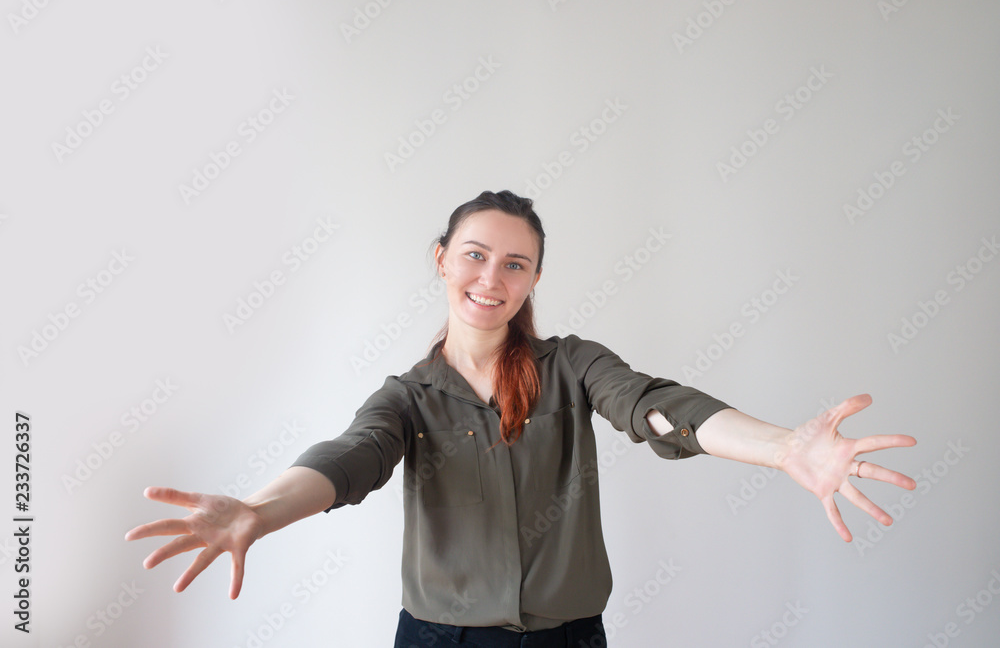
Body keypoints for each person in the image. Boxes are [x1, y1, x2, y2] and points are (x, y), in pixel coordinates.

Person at [126, 190, 917, 647]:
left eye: (515, 263)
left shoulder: (574, 366)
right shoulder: (408, 397)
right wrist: (260, 510)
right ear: (441, 257)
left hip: (567, 637)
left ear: (534, 277)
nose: (490, 277)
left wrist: (783, 447)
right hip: (440, 638)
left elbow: (655, 408)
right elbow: (349, 458)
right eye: (474, 254)